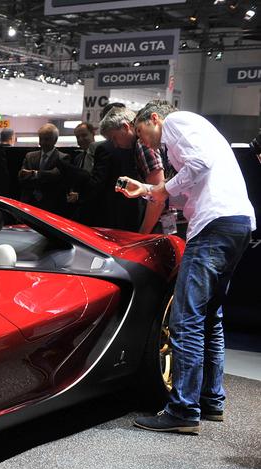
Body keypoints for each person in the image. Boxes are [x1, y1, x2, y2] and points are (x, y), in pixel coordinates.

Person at [119, 101, 255, 434]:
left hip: (213, 225)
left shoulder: (177, 122)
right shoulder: (195, 134)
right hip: (236, 223)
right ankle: (211, 400)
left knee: (186, 318)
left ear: (155, 118)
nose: (143, 142)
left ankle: (182, 409)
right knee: (210, 317)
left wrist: (162, 187)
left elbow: (199, 164)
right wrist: (147, 190)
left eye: (141, 132)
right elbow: (185, 190)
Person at [100, 106, 173, 234]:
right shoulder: (139, 145)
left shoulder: (142, 144)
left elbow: (158, 197)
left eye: (114, 138)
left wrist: (143, 233)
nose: (115, 144)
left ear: (125, 127)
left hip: (166, 222)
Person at [18, 123, 70, 217]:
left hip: (52, 207)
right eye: (41, 139)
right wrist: (45, 178)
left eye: (46, 139)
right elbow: (22, 177)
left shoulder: (63, 158)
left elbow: (56, 175)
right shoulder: (29, 156)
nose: (42, 142)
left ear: (55, 140)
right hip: (29, 204)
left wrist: (34, 174)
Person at [65, 122, 98, 216]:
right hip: (80, 209)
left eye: (84, 135)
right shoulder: (78, 158)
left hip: (96, 207)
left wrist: (80, 196)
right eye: (77, 137)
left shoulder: (101, 155)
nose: (80, 139)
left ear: (93, 133)